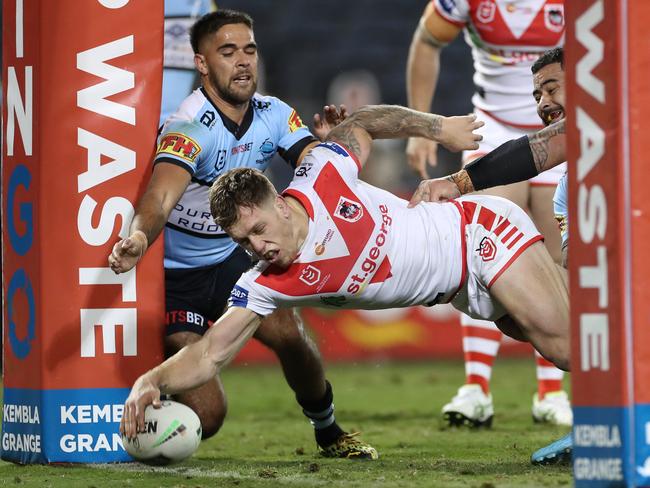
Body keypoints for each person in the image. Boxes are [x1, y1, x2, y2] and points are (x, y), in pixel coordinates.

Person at [120, 104, 571, 448]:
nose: (257, 247)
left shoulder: (322, 173)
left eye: (258, 230)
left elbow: (363, 122)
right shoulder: (262, 283)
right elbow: (209, 356)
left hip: (478, 234)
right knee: (566, 330)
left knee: (564, 345)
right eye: (243, 242)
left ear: (279, 203)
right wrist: (150, 382)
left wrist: (438, 128)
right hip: (457, 289)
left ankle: (618, 425)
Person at [108, 9, 378, 460]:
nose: (243, 61)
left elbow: (319, 169)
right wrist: (138, 238)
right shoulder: (189, 126)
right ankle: (156, 398)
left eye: (249, 50)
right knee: (208, 417)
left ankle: (329, 431)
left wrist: (332, 146)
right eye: (228, 52)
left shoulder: (274, 115)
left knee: (292, 338)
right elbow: (159, 200)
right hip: (177, 280)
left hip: (233, 261)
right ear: (201, 64)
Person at [405, 0, 570, 429]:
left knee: (560, 258)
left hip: (565, 124)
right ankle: (476, 387)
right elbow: (426, 42)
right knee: (482, 250)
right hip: (495, 128)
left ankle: (552, 392)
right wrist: (424, 128)